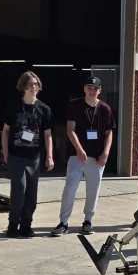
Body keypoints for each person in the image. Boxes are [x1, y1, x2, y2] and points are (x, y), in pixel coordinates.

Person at [51, 77, 116, 236]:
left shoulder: (105, 109)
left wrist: (106, 153)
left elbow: (109, 133)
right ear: (84, 89)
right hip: (77, 155)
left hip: (97, 157)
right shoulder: (75, 105)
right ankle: (63, 222)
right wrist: (79, 150)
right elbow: (70, 130)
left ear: (99, 91)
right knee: (70, 188)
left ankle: (88, 221)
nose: (92, 91)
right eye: (89, 88)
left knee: (93, 190)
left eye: (95, 88)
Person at [2, 71, 54, 238]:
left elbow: (48, 135)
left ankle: (26, 224)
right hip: (16, 155)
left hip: (34, 158)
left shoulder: (44, 109)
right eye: (30, 84)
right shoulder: (13, 107)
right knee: (19, 189)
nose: (33, 87)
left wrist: (49, 156)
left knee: (31, 193)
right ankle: (13, 224)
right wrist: (5, 152)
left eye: (36, 84)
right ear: (23, 87)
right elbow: (5, 131)